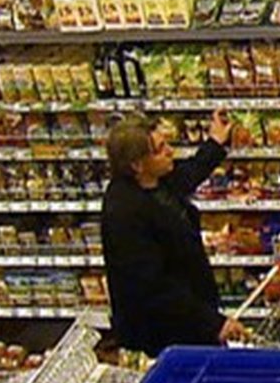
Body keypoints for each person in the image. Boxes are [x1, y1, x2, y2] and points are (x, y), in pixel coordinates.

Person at [100, 109, 249, 355]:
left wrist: (215, 142)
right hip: (162, 334)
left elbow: (188, 174)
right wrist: (213, 323)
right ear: (137, 165)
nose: (171, 151)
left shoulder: (156, 180)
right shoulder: (124, 213)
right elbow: (153, 287)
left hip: (189, 314)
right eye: (160, 149)